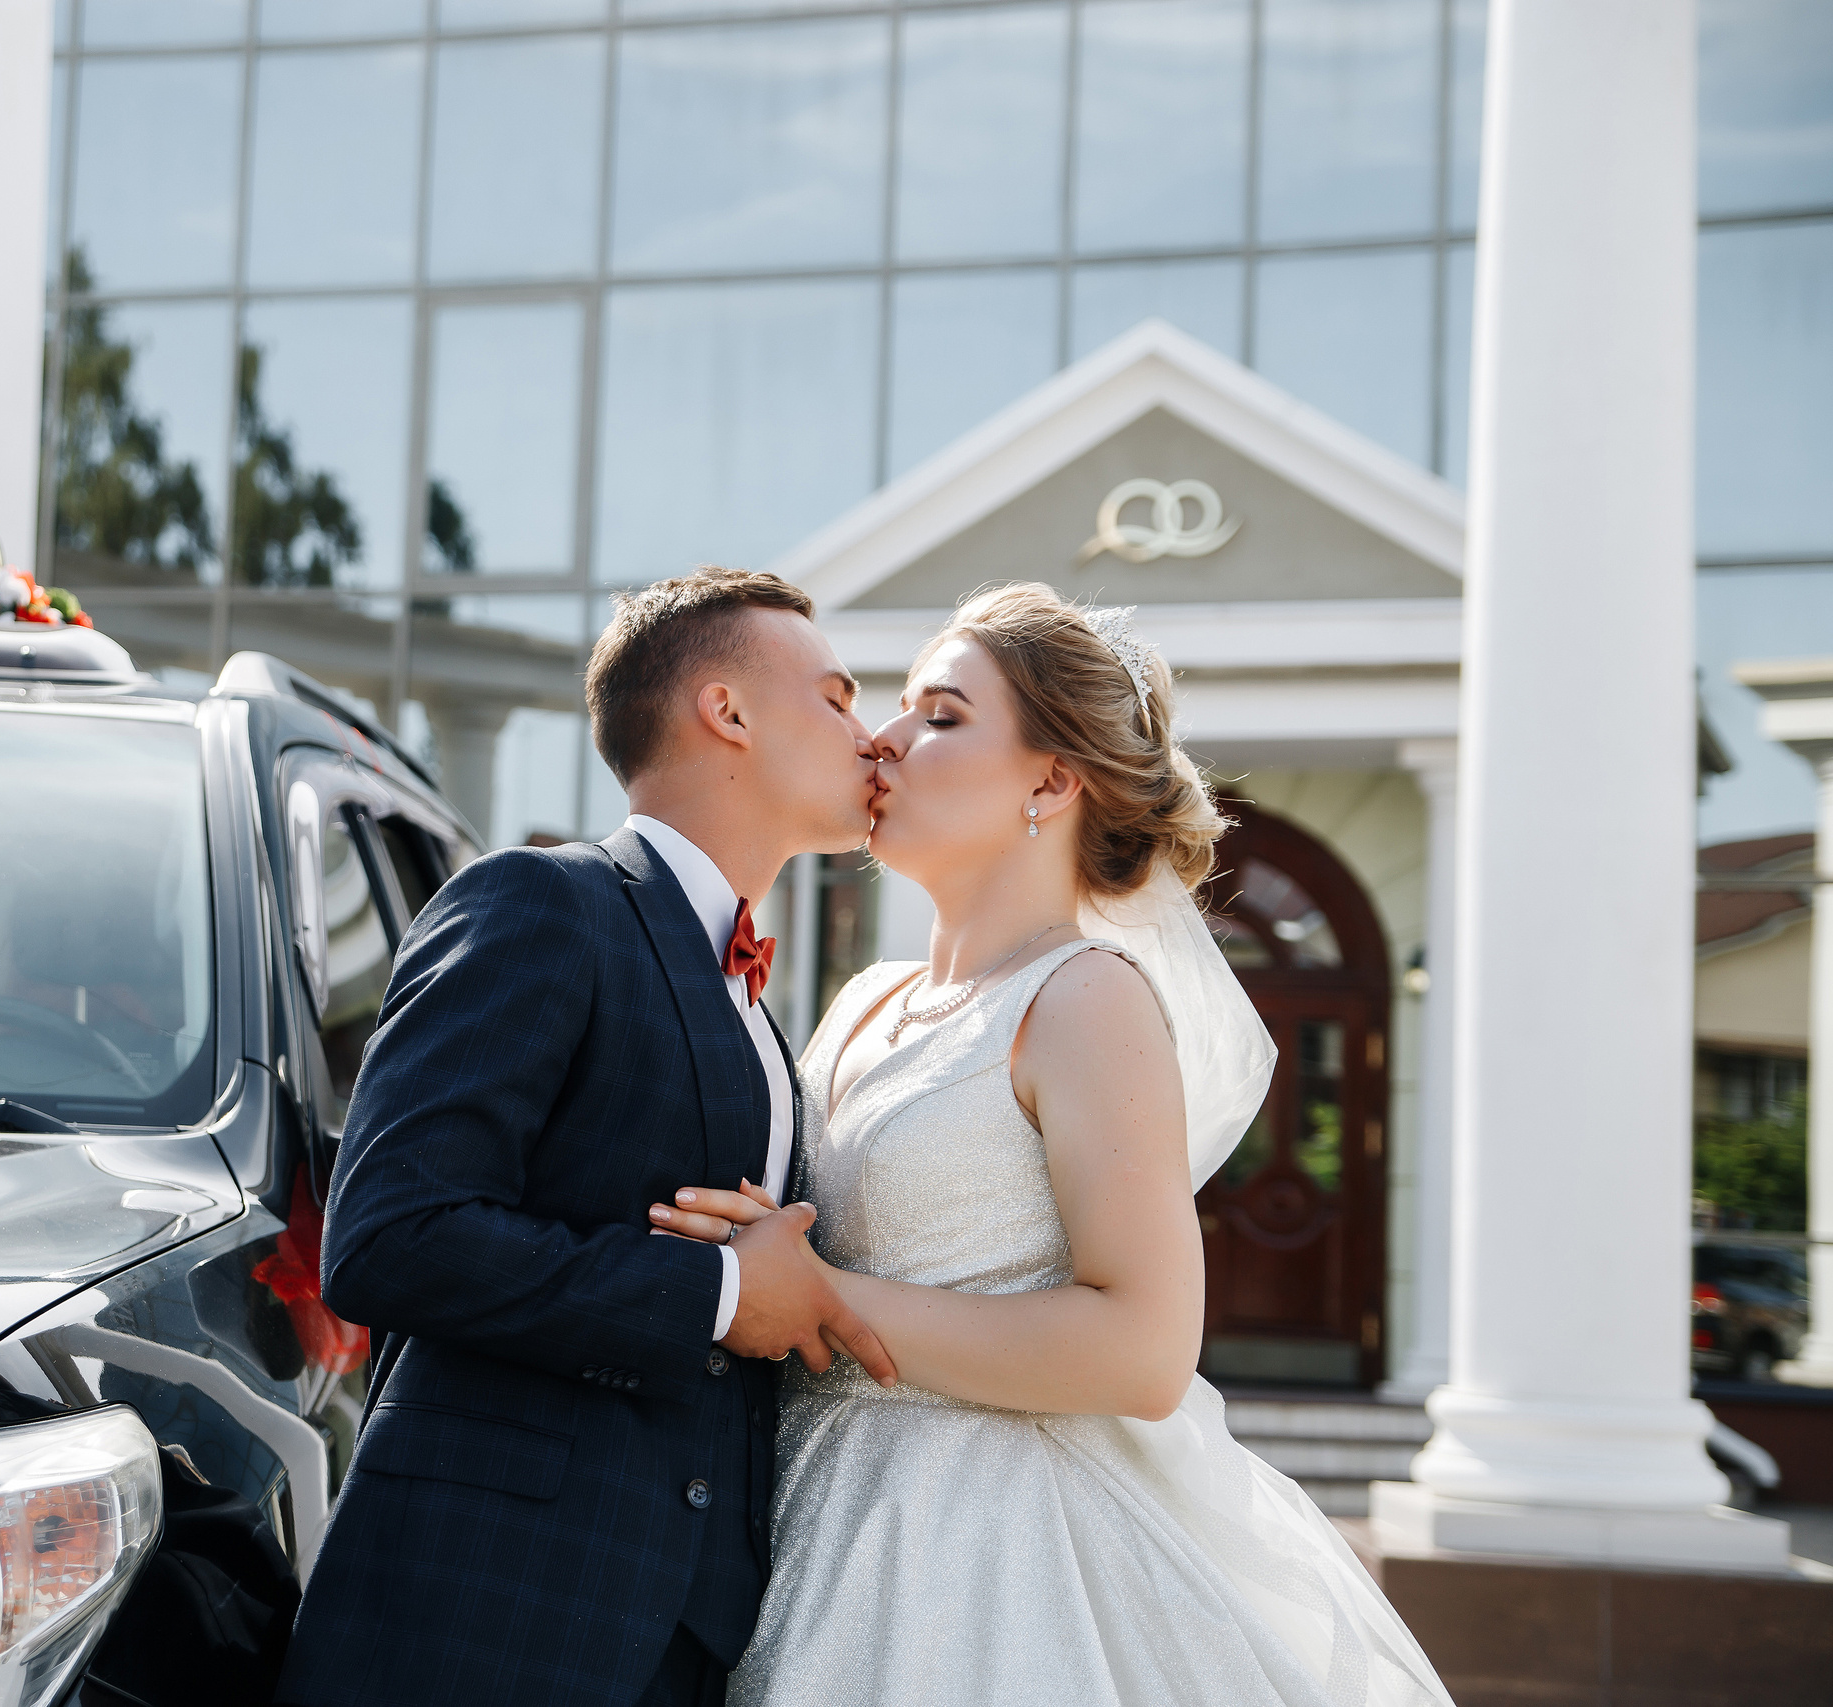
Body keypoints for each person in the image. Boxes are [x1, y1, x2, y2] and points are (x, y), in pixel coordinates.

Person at [652, 584, 1454, 1706]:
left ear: (1050, 778)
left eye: (938, 716)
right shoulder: (860, 1001)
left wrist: (823, 1300)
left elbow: (1142, 1348)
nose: (880, 739)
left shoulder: (1085, 1001)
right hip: (790, 1507)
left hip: (987, 1556)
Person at [277, 567, 901, 1707]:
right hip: (487, 1615)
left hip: (688, 1629)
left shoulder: (759, 1011)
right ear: (729, 711)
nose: (871, 738)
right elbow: (390, 1236)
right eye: (837, 698)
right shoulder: (537, 903)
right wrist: (717, 1296)